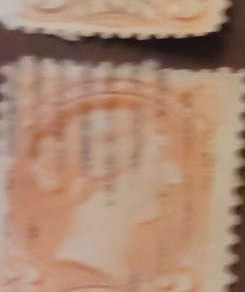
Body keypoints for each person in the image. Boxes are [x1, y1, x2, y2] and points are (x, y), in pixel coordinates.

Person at [31, 106, 183, 280]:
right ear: (108, 181)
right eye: (159, 159)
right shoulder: (85, 265)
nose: (174, 177)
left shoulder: (112, 267)